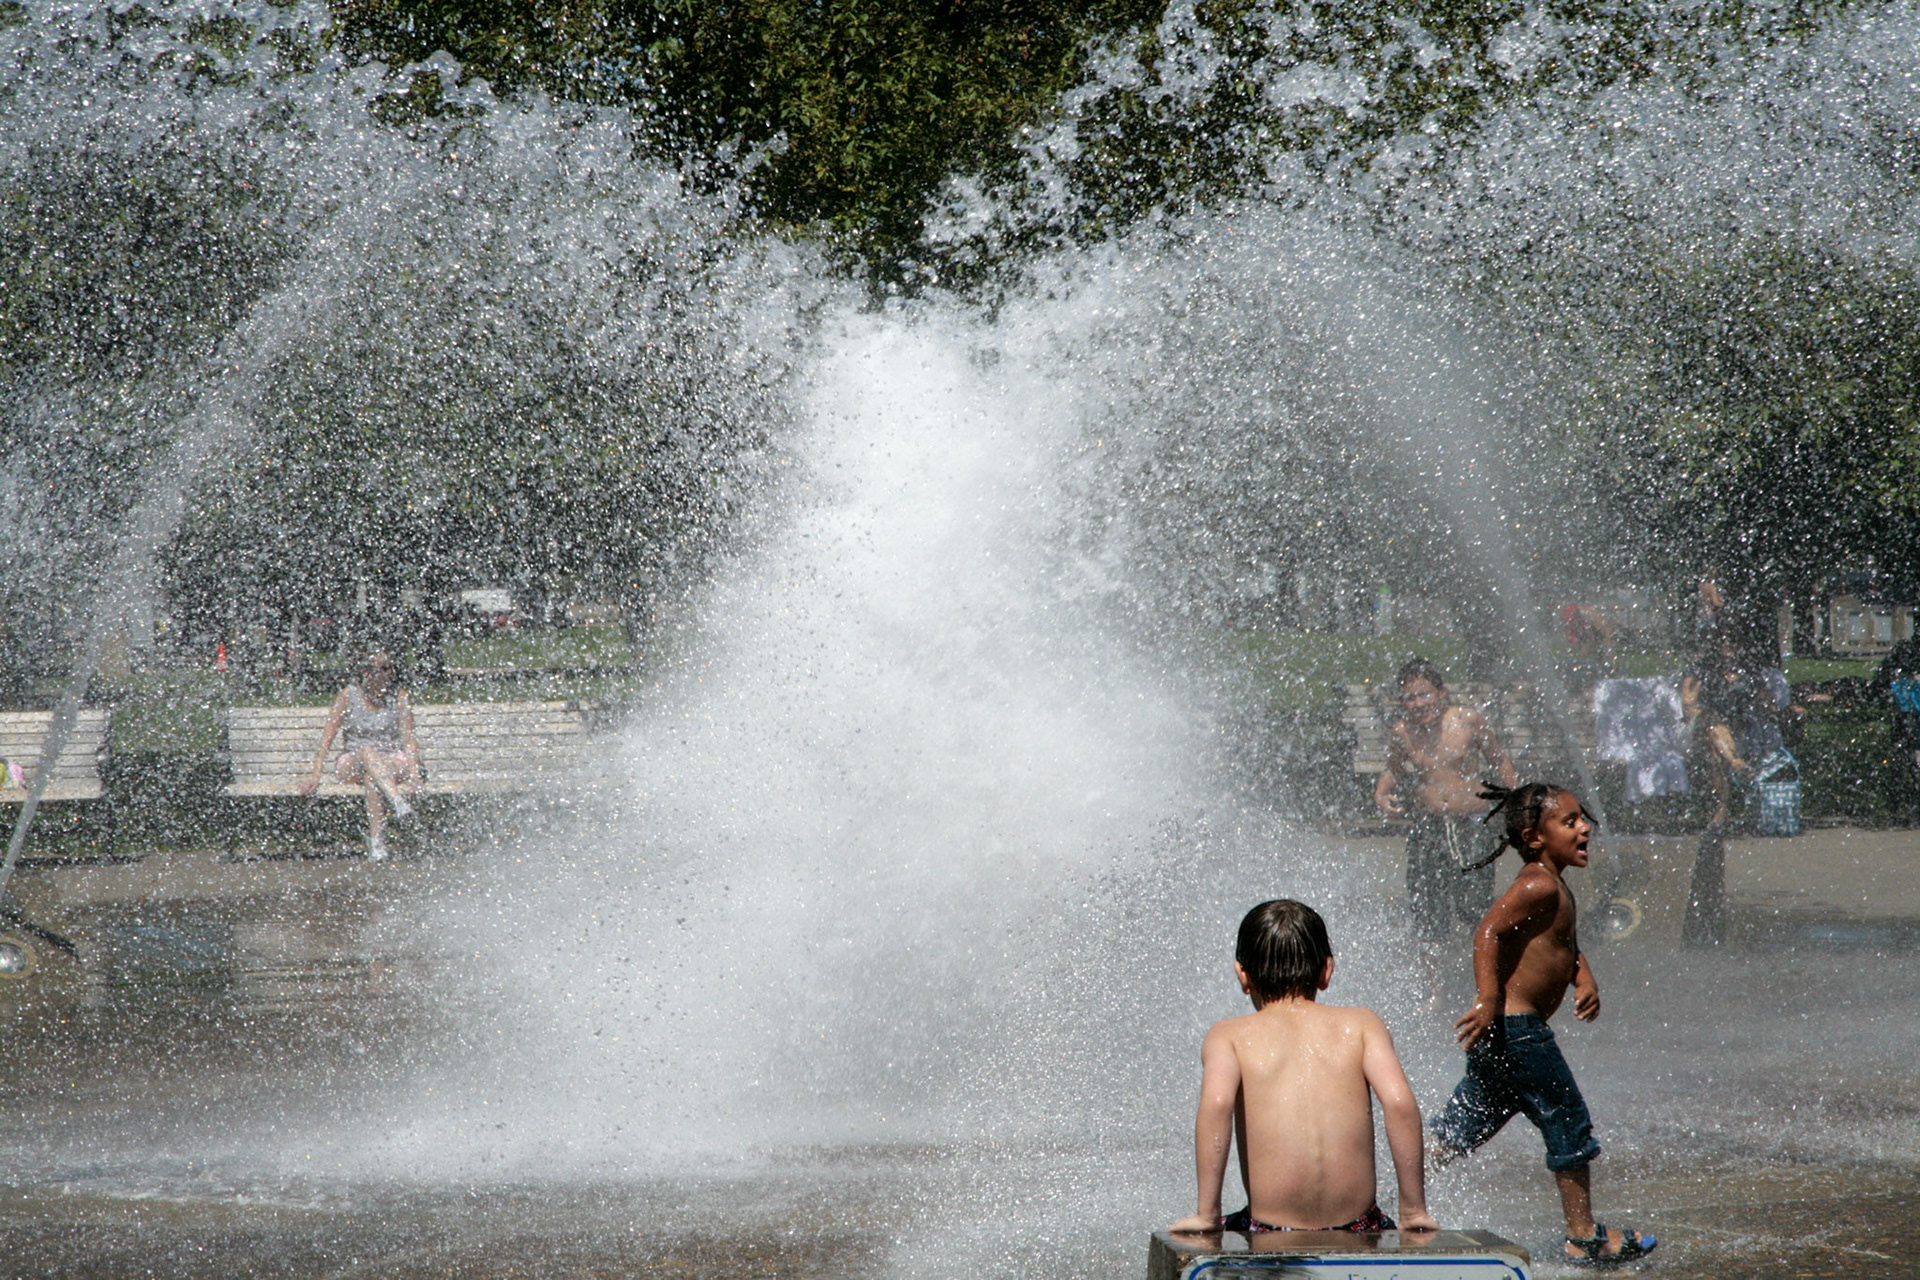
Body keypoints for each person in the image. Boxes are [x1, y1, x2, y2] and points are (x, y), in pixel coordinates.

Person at [1429, 783, 1656, 1268]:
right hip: (1519, 1031)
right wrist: (1489, 997)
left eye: (1582, 819)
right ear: (1534, 837)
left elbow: (1559, 944)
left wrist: (1583, 974)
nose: (1584, 827)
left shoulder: (1552, 884)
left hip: (1505, 1037)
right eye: (1570, 821)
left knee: (1459, 1129)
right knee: (1566, 1115)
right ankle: (1583, 1235)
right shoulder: (1538, 884)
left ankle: (1388, 1192)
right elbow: (1487, 931)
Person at [1168, 900, 1438, 1236]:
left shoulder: (1229, 1036)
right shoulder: (1362, 1025)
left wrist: (1207, 1214)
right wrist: (1413, 1210)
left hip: (1268, 1230)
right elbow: (1399, 1104)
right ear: (1327, 970)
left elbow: (1217, 1105)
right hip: (1358, 1225)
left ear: (1243, 975)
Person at [1374, 658, 1518, 941]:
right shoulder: (1403, 732)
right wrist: (1381, 792)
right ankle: (1433, 986)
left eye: (1424, 694)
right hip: (1428, 827)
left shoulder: (1467, 720)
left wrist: (1517, 798)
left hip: (1472, 825)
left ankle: (1490, 976)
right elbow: (1393, 768)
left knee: (1474, 906)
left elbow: (1499, 760)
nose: (1418, 703)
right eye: (1409, 698)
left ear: (1441, 693)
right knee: (1427, 911)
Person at [298, 648, 421, 861]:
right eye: (379, 669)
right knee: (367, 752)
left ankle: (377, 845)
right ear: (366, 672)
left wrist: (415, 774)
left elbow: (409, 740)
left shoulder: (399, 697)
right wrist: (315, 776)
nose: (386, 673)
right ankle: (398, 801)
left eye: (388, 668)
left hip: (390, 760)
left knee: (372, 778)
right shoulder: (348, 696)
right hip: (353, 760)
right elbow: (326, 740)